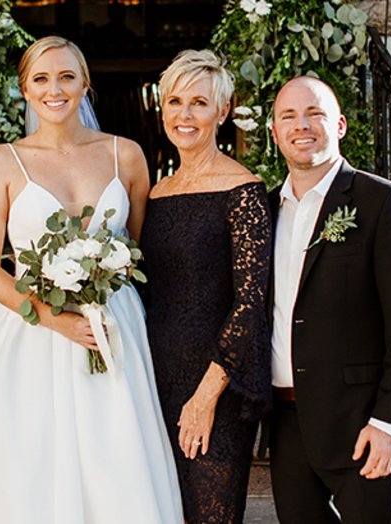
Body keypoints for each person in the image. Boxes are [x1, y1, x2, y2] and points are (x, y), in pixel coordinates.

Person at [0, 36, 182, 523]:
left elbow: (136, 249)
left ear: (85, 85)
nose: (56, 89)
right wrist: (55, 318)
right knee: (25, 471)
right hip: (27, 331)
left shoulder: (127, 156)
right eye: (42, 78)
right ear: (25, 90)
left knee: (116, 462)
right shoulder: (3, 161)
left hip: (112, 329)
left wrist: (100, 286)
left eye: (67, 76)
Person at [266, 75, 391, 523]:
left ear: (339, 125)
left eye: (314, 113)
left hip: (363, 424)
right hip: (288, 426)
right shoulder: (265, 213)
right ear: (274, 132)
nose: (301, 125)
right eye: (289, 116)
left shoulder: (383, 202)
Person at [141, 49, 273, 523]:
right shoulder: (156, 193)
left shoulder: (244, 191)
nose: (185, 115)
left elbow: (250, 302)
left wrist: (206, 396)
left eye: (199, 102)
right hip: (155, 375)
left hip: (216, 383)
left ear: (222, 110)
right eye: (175, 102)